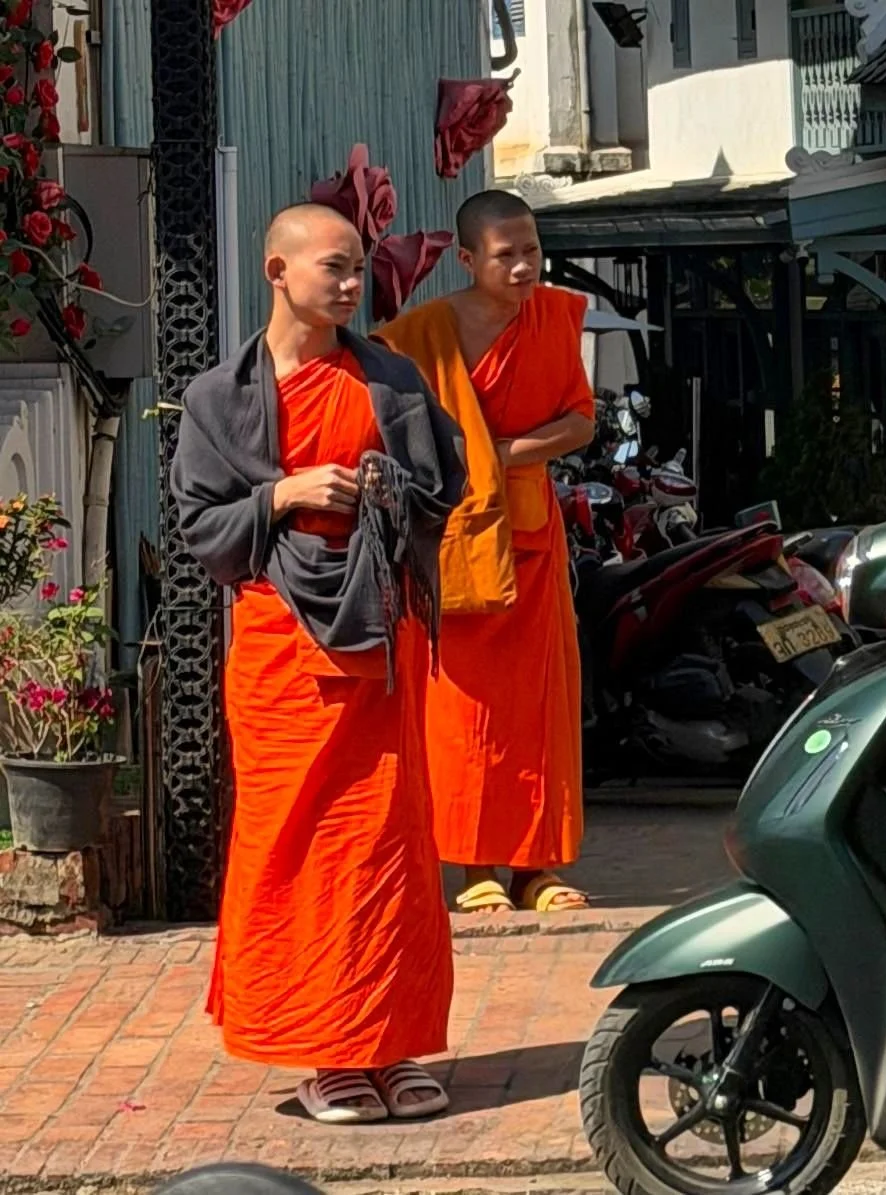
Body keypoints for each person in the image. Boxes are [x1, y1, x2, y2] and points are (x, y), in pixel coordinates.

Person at [170, 204, 466, 1124]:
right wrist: (282, 493)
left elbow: (441, 487)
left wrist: (384, 486)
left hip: (378, 639)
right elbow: (203, 529)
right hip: (281, 647)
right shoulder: (219, 399)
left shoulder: (391, 380)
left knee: (386, 844)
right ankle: (324, 1052)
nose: (351, 284)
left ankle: (393, 1042)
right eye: (334, 267)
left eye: (359, 268)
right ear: (277, 271)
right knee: (294, 842)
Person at [377, 190, 595, 916]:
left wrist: (503, 452)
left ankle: (538, 866)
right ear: (469, 260)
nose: (526, 265)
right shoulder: (423, 333)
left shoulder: (556, 319)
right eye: (508, 254)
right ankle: (475, 867)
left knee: (539, 708)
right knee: (464, 711)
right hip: (457, 543)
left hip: (530, 535)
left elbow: (580, 422)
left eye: (532, 249)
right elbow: (385, 413)